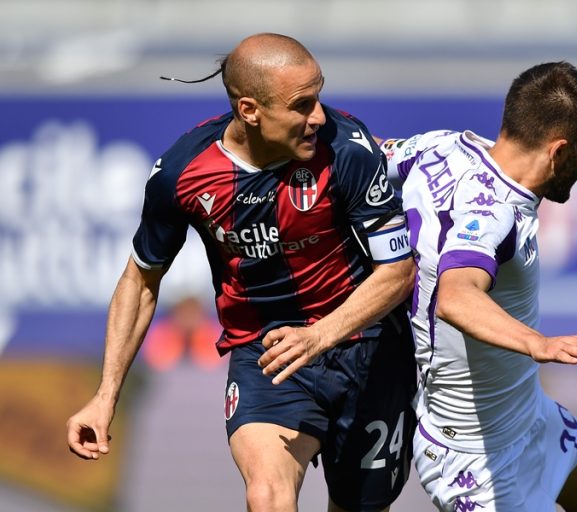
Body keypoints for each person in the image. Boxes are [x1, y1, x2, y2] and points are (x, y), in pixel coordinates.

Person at [66, 33, 417, 512]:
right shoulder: (182, 173)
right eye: (301, 105)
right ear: (250, 110)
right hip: (266, 354)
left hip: (368, 345)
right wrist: (105, 396)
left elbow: (397, 272)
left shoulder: (350, 148)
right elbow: (141, 280)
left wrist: (317, 336)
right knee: (268, 494)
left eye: (319, 97)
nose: (319, 117)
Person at [379, 62, 577, 511]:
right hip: (477, 462)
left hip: (528, 419)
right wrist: (536, 343)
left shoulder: (442, 146)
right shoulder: (494, 215)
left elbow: (363, 154)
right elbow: (456, 295)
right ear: (559, 151)